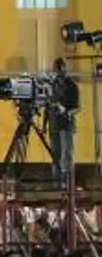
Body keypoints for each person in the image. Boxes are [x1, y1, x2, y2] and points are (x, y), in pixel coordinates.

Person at [50, 57, 81, 185]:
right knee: (55, 154)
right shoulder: (52, 85)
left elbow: (78, 107)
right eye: (58, 68)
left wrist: (66, 111)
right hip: (54, 124)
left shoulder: (72, 86)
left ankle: (68, 183)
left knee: (66, 154)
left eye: (61, 68)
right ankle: (56, 183)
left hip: (66, 124)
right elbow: (48, 105)